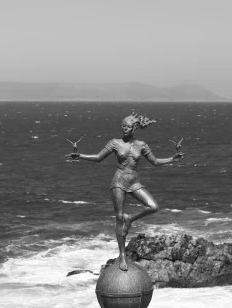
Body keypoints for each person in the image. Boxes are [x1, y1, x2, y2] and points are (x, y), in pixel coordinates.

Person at [66, 113, 184, 270]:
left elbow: (154, 162)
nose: (125, 129)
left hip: (134, 181)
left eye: (128, 126)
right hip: (119, 181)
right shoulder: (115, 143)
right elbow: (99, 157)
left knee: (153, 206)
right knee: (119, 217)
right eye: (123, 126)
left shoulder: (141, 145)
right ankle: (122, 254)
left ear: (134, 128)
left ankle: (131, 219)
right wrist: (80, 156)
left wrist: (172, 159)